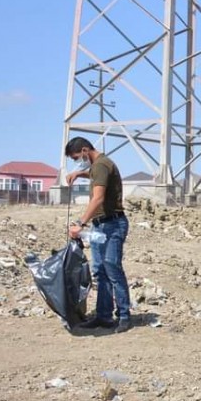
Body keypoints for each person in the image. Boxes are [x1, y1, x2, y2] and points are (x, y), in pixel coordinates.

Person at [64, 137, 132, 333]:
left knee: (112, 269)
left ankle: (124, 316)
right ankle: (103, 316)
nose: (78, 161)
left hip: (112, 224)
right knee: (100, 270)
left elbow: (98, 198)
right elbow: (95, 174)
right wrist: (79, 173)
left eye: (77, 158)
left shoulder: (101, 165)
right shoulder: (97, 166)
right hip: (100, 225)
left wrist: (80, 223)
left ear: (85, 150)